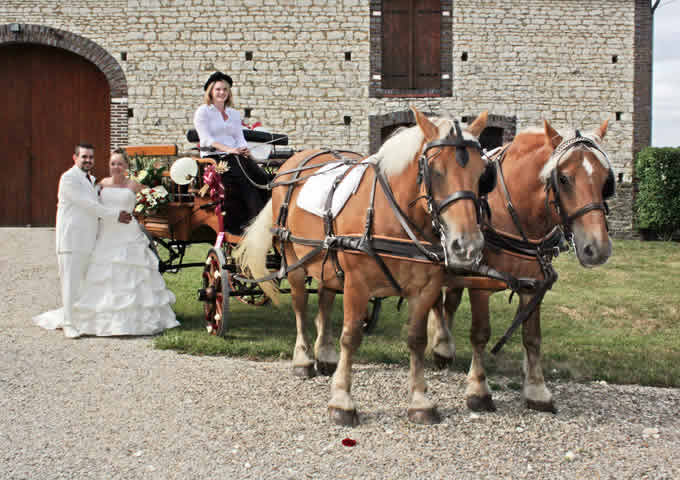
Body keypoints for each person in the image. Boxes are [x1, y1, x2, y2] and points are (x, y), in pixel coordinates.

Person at [34, 148, 179, 337]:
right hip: (106, 234)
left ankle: (136, 318)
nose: (116, 167)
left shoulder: (132, 185)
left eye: (120, 163)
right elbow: (92, 205)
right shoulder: (100, 184)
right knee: (99, 274)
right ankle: (79, 318)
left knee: (133, 274)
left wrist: (152, 202)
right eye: (112, 163)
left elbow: (155, 196)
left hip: (129, 234)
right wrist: (116, 215)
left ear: (126, 166)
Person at [193, 71, 270, 234]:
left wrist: (244, 149)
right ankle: (251, 222)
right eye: (218, 89)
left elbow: (239, 137)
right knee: (245, 182)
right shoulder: (203, 112)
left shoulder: (233, 113)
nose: (222, 93)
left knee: (261, 177)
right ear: (211, 92)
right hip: (214, 159)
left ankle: (266, 217)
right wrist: (230, 149)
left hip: (235, 156)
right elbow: (206, 140)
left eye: (225, 90)